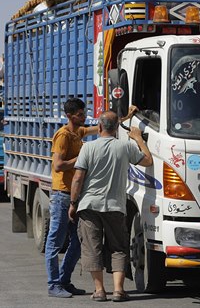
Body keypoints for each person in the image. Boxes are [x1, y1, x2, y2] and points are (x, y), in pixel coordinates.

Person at [46, 98, 137, 298]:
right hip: (63, 193)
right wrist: (81, 160)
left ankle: (64, 280)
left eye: (84, 112)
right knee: (56, 241)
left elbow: (103, 127)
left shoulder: (78, 132)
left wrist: (126, 118)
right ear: (69, 116)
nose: (84, 116)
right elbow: (58, 165)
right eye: (80, 114)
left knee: (79, 243)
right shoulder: (62, 136)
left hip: (78, 196)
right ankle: (53, 285)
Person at [68, 111, 153, 302]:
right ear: (116, 129)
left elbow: (78, 178)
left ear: (99, 127)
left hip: (89, 206)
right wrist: (139, 139)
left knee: (92, 248)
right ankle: (118, 290)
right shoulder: (125, 146)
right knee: (118, 248)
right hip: (116, 206)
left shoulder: (88, 148)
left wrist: (73, 203)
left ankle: (99, 290)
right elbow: (148, 160)